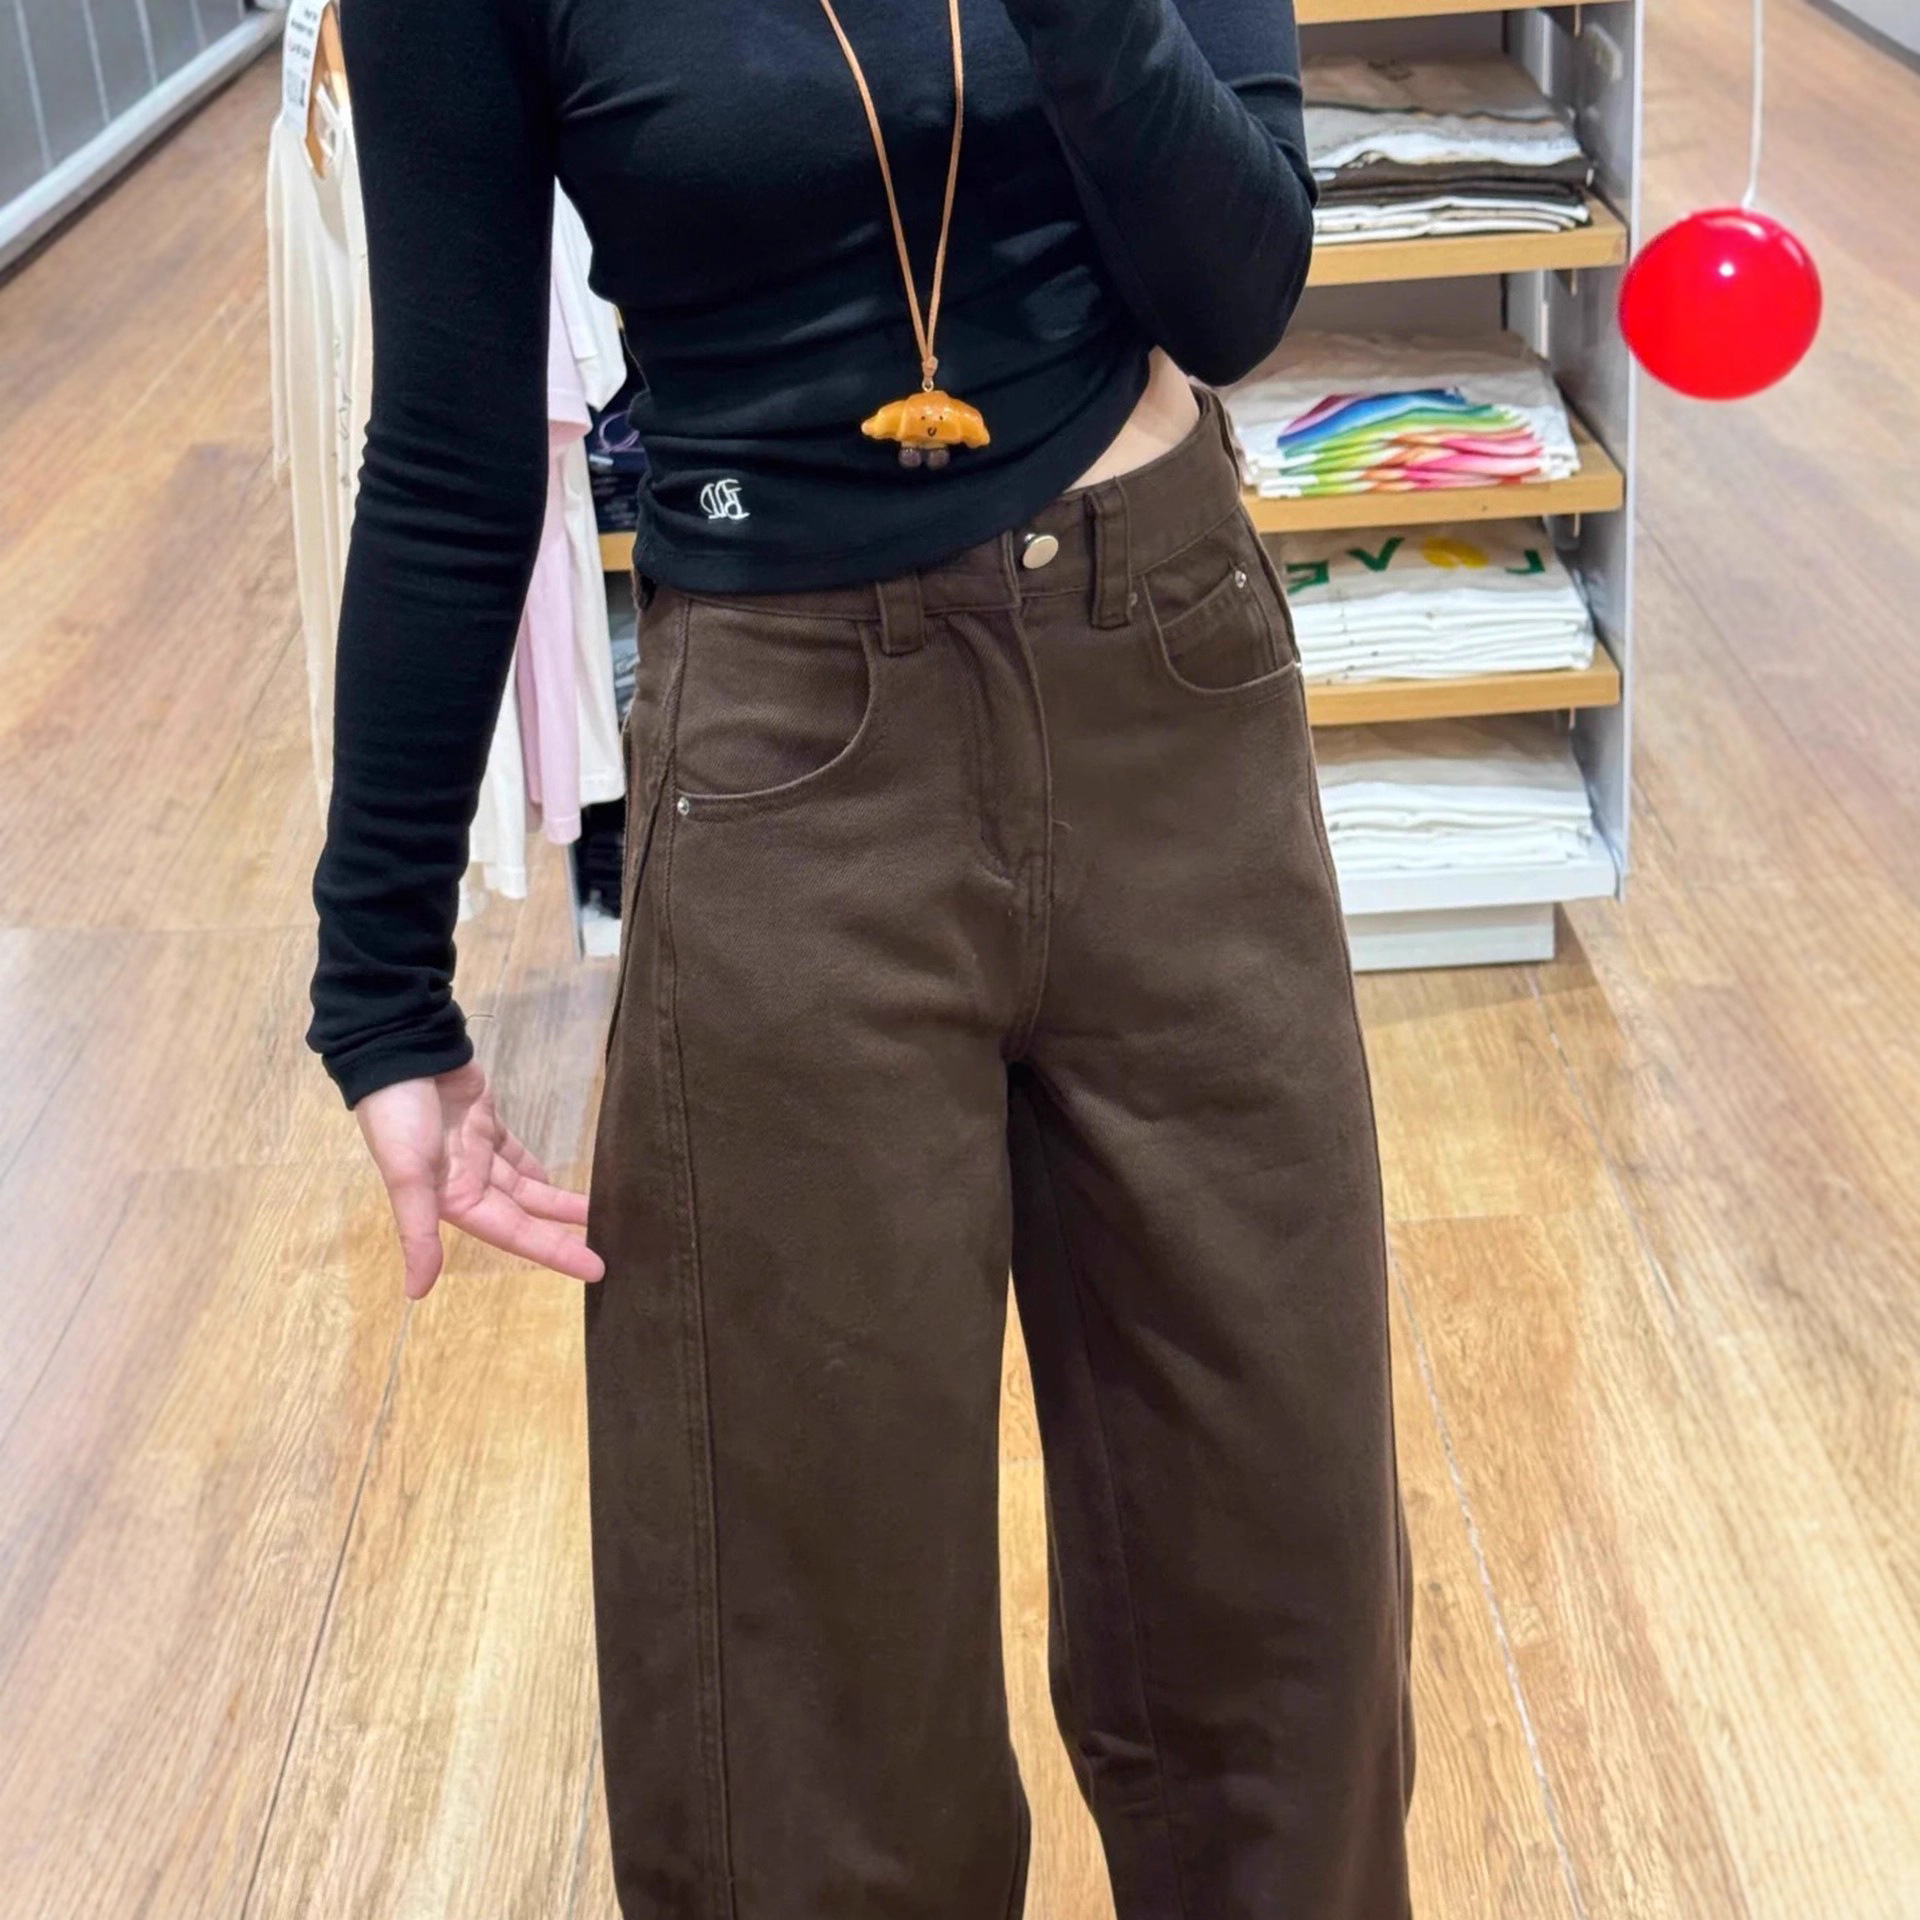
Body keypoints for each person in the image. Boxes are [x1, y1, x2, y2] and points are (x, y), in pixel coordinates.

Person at [306, 0, 1417, 1912]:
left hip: (1166, 685)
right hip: (787, 749)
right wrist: (381, 986)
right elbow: (451, 440)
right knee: (803, 1691)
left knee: (1281, 1589)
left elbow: (1238, 290)